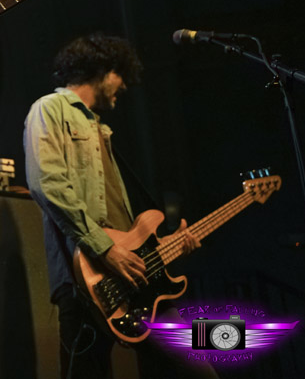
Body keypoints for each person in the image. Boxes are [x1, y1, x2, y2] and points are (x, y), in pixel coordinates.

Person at [24, 33, 216, 379]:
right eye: (121, 74)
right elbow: (47, 183)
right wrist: (105, 249)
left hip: (134, 277)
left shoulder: (101, 129)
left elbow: (127, 223)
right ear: (102, 68)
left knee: (199, 370)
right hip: (84, 277)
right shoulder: (49, 109)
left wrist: (168, 246)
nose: (125, 86)